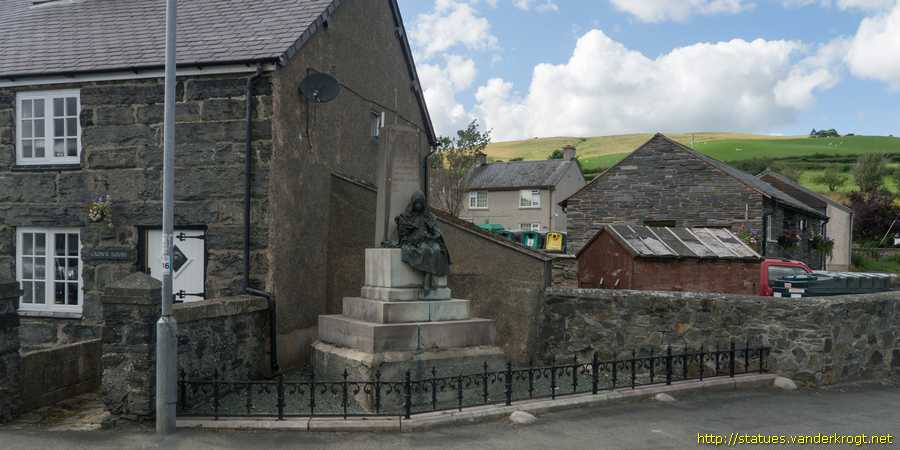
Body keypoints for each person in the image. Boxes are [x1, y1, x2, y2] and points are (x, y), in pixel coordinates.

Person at [393, 191, 451, 290]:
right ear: (413, 203)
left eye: (420, 203)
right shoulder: (406, 217)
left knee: (437, 249)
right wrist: (414, 237)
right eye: (417, 203)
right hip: (413, 242)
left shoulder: (428, 216)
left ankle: (428, 275)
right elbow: (403, 235)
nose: (418, 205)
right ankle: (428, 280)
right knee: (425, 250)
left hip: (428, 240)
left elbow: (436, 231)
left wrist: (433, 235)